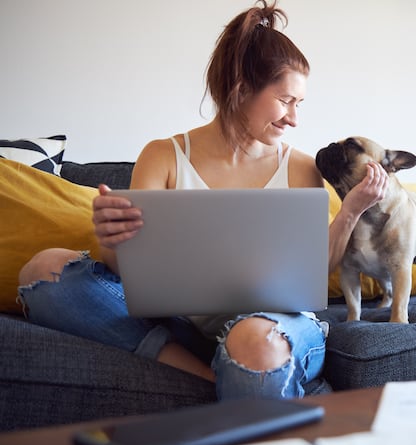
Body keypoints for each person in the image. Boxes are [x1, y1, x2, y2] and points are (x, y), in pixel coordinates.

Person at [16, 1, 387, 400]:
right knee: (43, 273)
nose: (294, 119)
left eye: (299, 104)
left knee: (253, 341)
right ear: (240, 88)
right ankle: (220, 381)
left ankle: (244, 371)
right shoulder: (163, 156)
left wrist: (350, 211)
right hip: (182, 327)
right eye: (285, 101)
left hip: (274, 328)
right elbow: (125, 271)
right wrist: (112, 239)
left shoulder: (300, 168)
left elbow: (315, 272)